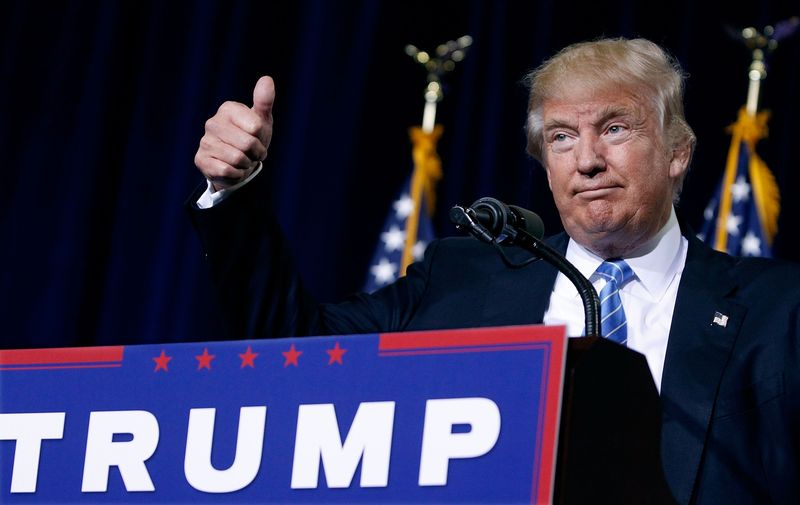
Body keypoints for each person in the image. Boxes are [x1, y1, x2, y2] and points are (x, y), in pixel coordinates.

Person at [189, 38, 800, 504]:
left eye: (614, 128)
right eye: (562, 137)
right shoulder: (461, 280)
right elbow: (301, 351)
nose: (587, 160)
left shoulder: (779, 308)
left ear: (677, 152)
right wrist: (233, 194)